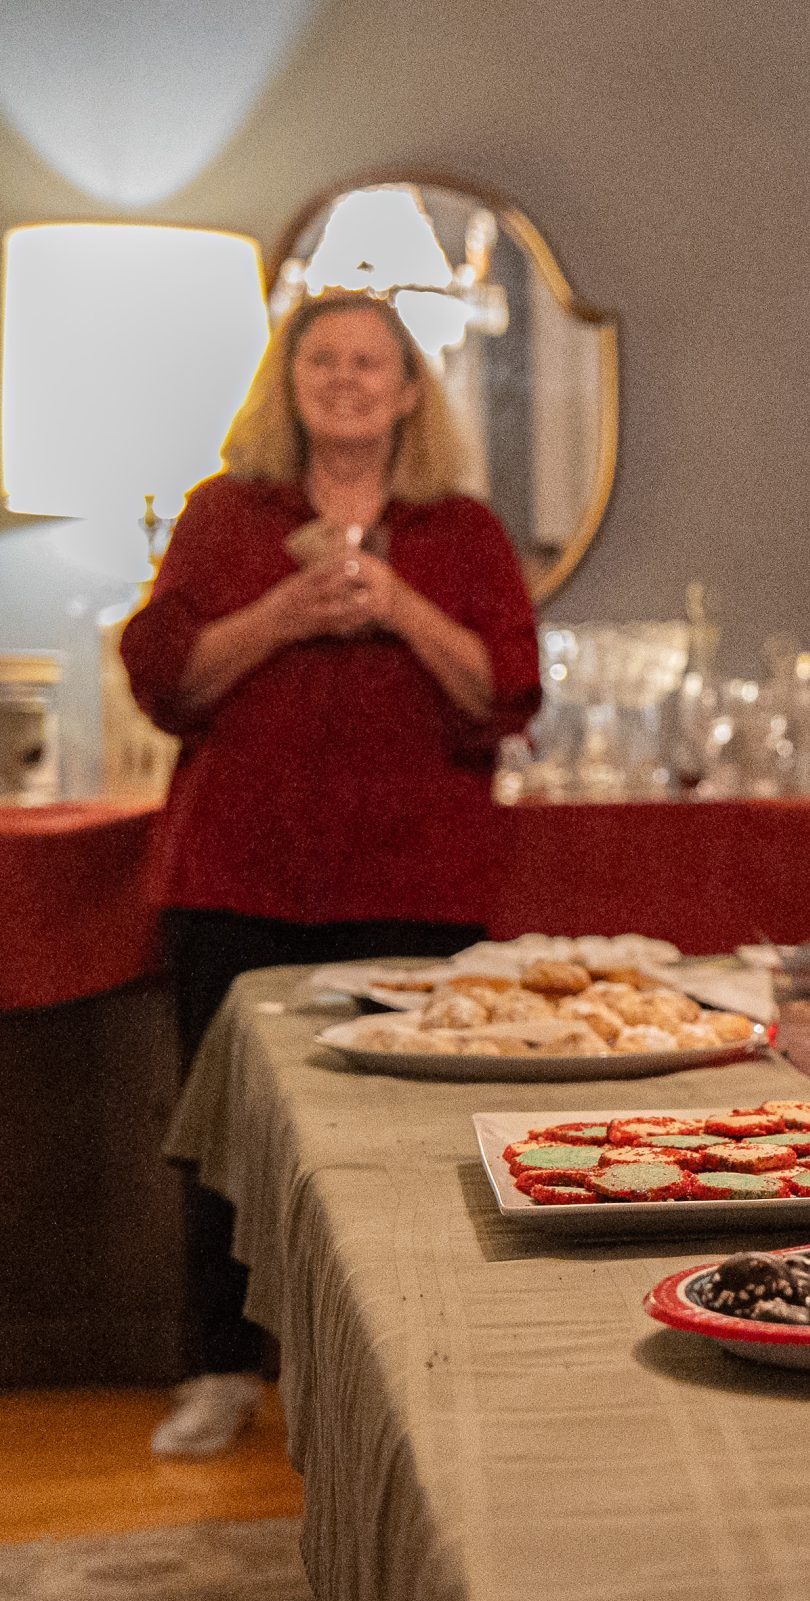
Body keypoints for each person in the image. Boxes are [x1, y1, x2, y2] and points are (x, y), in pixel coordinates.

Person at [121, 290, 541, 1456]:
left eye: (371, 362)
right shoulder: (223, 516)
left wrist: (398, 604)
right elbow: (168, 681)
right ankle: (220, 1367)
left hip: (414, 876)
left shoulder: (460, 531)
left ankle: (387, 1359)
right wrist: (285, 611)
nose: (347, 379)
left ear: (411, 389)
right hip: (236, 873)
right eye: (323, 360)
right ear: (288, 382)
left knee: (398, 1143)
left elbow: (504, 691)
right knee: (226, 1137)